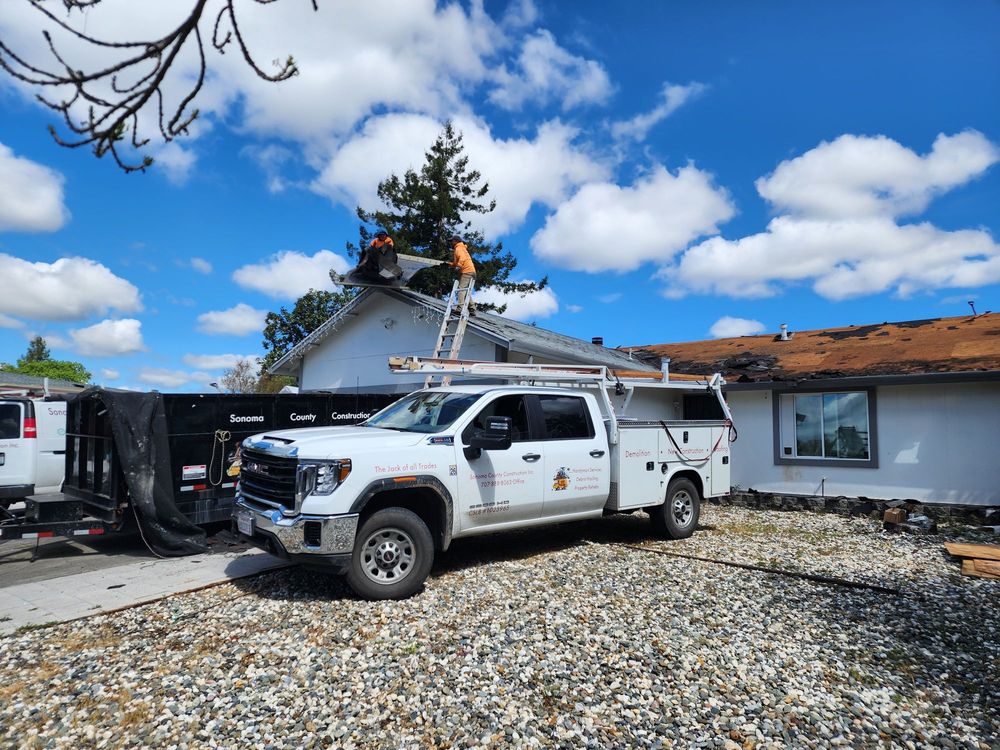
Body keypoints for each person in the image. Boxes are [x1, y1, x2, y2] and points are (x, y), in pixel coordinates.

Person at [449, 235, 476, 315]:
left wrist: (459, 266)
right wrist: (450, 264)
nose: (450, 243)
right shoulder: (461, 248)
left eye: (451, 241)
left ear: (455, 241)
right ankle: (472, 309)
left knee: (461, 289)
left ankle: (460, 308)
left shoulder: (459, 248)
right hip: (472, 271)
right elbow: (457, 261)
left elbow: (462, 258)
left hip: (467, 271)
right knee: (466, 291)